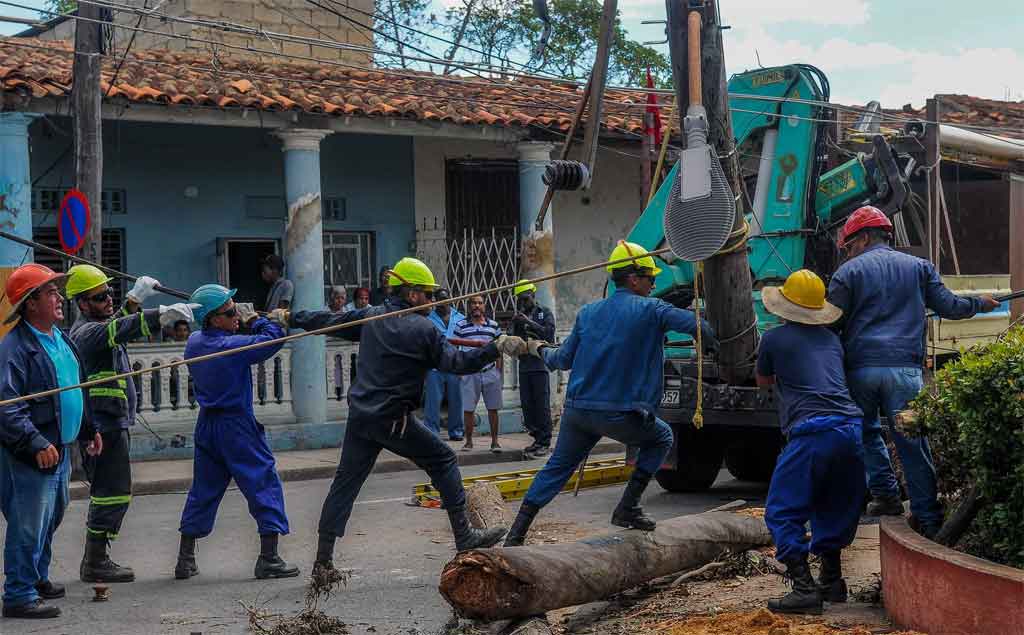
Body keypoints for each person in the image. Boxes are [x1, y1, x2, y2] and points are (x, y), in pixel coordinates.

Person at [277, 257, 526, 575]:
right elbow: (459, 365)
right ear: (411, 295)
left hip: (361, 418)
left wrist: (289, 316)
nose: (434, 300)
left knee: (345, 484)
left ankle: (323, 561)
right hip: (393, 419)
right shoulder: (425, 330)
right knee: (444, 460)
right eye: (428, 294)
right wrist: (497, 347)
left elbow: (327, 320)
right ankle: (464, 537)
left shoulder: (370, 316)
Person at [504, 241, 717, 546]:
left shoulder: (588, 312)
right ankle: (628, 507)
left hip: (579, 412)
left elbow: (561, 360)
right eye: (650, 278)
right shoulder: (653, 309)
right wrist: (720, 344)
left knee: (556, 468)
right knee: (662, 438)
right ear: (633, 279)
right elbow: (702, 328)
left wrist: (537, 349)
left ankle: (516, 535)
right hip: (618, 413)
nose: (654, 283)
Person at [827, 206, 999, 537]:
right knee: (912, 441)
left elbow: (831, 324)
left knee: (866, 434)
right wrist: (980, 303)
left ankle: (886, 496)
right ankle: (928, 517)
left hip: (861, 369)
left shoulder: (847, 275)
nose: (847, 253)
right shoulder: (919, 267)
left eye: (848, 247)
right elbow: (950, 306)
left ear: (862, 238)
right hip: (905, 371)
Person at [65, 265, 196, 584]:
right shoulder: (85, 332)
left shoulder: (98, 324)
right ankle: (96, 561)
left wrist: (134, 302)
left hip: (111, 421)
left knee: (112, 490)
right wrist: (157, 314)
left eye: (109, 293)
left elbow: (115, 324)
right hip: (103, 425)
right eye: (99, 297)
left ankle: (96, 558)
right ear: (82, 304)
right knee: (112, 492)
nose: (108, 299)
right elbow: (116, 330)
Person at [756, 269, 866, 615]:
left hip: (811, 431)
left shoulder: (773, 340)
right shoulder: (832, 340)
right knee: (832, 503)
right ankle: (832, 580)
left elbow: (763, 381)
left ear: (786, 305)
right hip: (850, 428)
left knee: (782, 510)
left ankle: (804, 588)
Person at [174, 284, 298, 581]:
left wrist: (237, 314)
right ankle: (269, 558)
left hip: (207, 426)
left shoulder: (194, 342)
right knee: (263, 482)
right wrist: (258, 319)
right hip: (236, 425)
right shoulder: (230, 347)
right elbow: (273, 340)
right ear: (214, 319)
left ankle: (185, 559)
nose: (235, 316)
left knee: (203, 490)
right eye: (229, 312)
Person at [0, 264, 103, 619]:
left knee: (50, 518)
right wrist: (35, 443)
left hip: (60, 447)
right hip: (32, 453)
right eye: (50, 292)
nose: (60, 298)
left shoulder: (62, 339)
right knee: (28, 523)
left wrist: (89, 430)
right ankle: (18, 593)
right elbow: (8, 407)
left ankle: (37, 578)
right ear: (31, 304)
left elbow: (77, 388)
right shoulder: (14, 348)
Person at [510, 280, 556, 458]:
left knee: (541, 406)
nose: (523, 303)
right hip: (524, 367)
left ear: (533, 295)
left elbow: (549, 335)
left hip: (539, 366)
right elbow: (513, 340)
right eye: (520, 300)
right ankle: (537, 439)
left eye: (526, 298)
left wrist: (529, 322)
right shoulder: (518, 316)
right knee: (528, 407)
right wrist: (515, 325)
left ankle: (545, 441)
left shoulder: (544, 313)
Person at [454, 296, 504, 453]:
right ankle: (468, 442)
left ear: (484, 306)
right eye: (473, 303)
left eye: (480, 303)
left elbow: (499, 350)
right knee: (468, 409)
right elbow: (454, 350)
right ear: (469, 306)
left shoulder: (494, 326)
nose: (477, 306)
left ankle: (495, 442)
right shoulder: (461, 326)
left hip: (490, 372)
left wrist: (499, 372)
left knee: (493, 408)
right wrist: (460, 371)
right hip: (469, 373)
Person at [424, 288, 466, 440]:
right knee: (433, 400)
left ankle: (457, 431)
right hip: (435, 365)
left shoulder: (460, 318)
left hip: (455, 364)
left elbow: (464, 342)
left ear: (450, 299)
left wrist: (464, 365)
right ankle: (431, 431)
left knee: (457, 399)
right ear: (435, 301)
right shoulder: (428, 318)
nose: (442, 303)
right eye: (439, 300)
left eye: (444, 299)